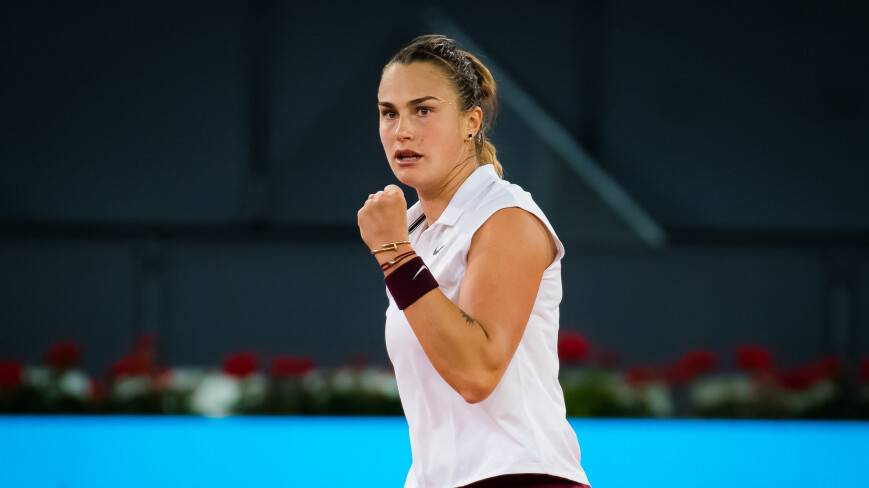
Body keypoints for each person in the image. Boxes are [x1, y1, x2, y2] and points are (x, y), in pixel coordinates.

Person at [356, 34, 592, 488]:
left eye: (423, 110)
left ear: (471, 121)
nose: (402, 130)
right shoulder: (414, 233)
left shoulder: (507, 217)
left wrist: (395, 254)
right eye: (389, 113)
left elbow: (476, 373)